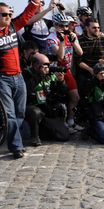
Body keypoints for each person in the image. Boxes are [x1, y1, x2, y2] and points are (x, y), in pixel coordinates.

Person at [0, 0, 40, 159]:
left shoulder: (12, 27)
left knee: (20, 113)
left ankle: (14, 141)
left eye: (9, 14)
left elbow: (27, 15)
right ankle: (16, 146)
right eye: (4, 15)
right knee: (9, 115)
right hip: (3, 79)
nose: (8, 17)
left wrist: (35, 2)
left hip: (18, 77)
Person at [46, 13, 83, 133]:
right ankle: (62, 124)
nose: (64, 28)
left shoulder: (71, 35)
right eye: (61, 26)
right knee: (59, 99)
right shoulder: (51, 38)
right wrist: (62, 41)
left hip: (66, 70)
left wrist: (73, 41)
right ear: (55, 25)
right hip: (55, 71)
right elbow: (60, 57)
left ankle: (71, 121)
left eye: (66, 26)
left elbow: (80, 52)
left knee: (75, 97)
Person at [22, 53, 70, 146]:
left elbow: (63, 93)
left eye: (48, 65)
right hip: (32, 106)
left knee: (63, 136)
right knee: (35, 112)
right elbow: (28, 91)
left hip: (47, 108)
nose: (47, 68)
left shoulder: (50, 76)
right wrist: (39, 76)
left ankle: (45, 131)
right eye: (44, 66)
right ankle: (35, 137)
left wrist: (61, 82)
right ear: (36, 66)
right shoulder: (26, 75)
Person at [75, 17, 104, 101]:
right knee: (84, 89)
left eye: (98, 27)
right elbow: (78, 61)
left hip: (103, 70)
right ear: (87, 28)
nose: (97, 29)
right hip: (87, 71)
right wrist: (90, 70)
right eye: (94, 28)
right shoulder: (80, 40)